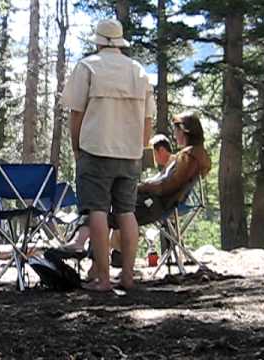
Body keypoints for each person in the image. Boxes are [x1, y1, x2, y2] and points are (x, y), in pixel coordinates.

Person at [61, 18, 155, 291]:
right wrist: (141, 147)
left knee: (97, 212)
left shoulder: (88, 66)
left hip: (96, 149)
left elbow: (76, 113)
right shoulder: (138, 71)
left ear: (98, 40)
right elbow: (148, 117)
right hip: (130, 153)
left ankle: (102, 277)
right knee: (127, 213)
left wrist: (77, 147)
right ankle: (127, 276)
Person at [59, 133, 174, 259]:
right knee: (108, 210)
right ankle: (99, 255)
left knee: (106, 213)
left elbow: (162, 186)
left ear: (161, 150)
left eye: (153, 152)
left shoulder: (173, 164)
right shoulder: (170, 166)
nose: (152, 158)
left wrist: (141, 186)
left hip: (153, 205)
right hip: (150, 203)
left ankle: (87, 248)